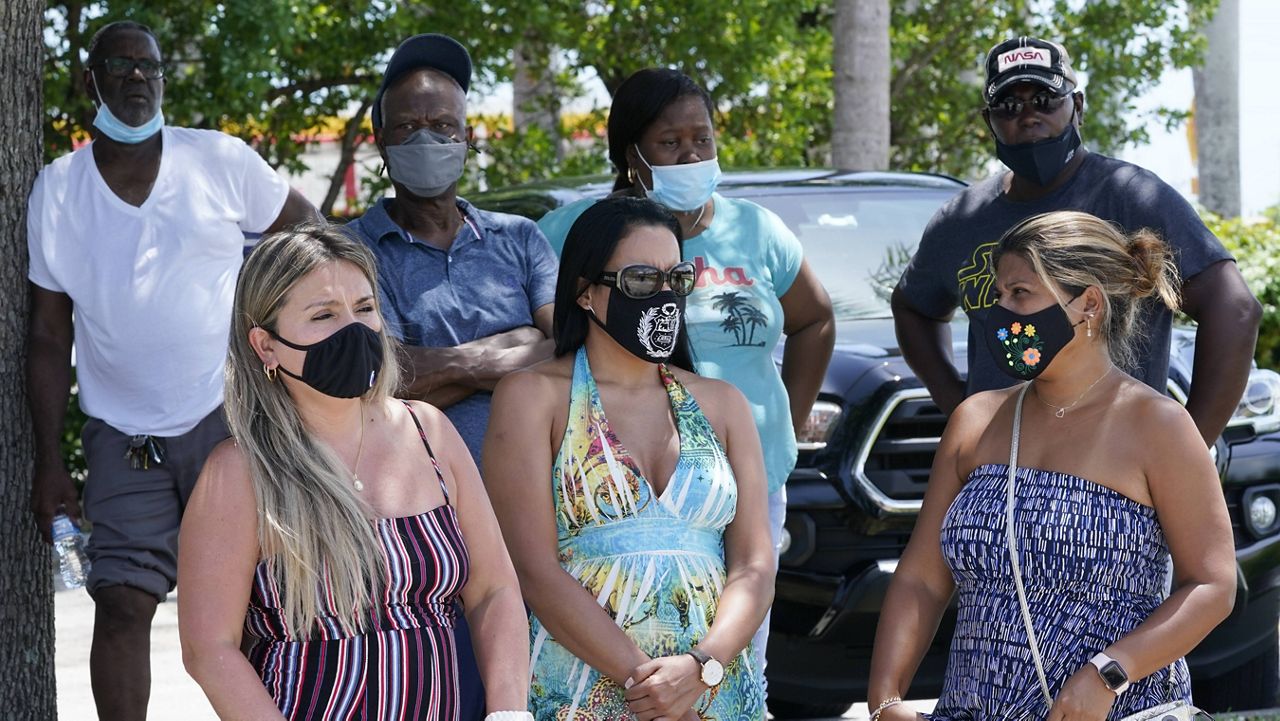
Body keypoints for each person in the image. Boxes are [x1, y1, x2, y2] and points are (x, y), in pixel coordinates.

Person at [25, 19, 317, 721]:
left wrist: (285, 349)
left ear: (163, 80)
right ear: (87, 81)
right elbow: (45, 332)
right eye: (119, 65)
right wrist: (47, 462)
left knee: (260, 603)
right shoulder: (58, 191)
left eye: (148, 67)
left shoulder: (217, 160)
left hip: (231, 421)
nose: (136, 77)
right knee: (121, 602)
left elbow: (309, 234)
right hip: (125, 436)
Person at [867, 211, 1236, 719]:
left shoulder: (1157, 426)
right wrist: (884, 698)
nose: (1002, 312)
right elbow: (922, 578)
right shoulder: (976, 420)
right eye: (999, 295)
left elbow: (1213, 585)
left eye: (1020, 293)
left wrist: (1110, 672)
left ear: (1088, 305)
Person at [535, 68, 835, 682]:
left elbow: (817, 320)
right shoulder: (573, 234)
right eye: (671, 143)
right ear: (631, 153)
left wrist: (784, 422)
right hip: (615, 484)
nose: (692, 155)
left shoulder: (755, 229)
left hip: (743, 478)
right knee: (614, 658)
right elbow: (549, 338)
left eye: (703, 139)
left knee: (739, 652)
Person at [178, 224, 533, 721]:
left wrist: (508, 712)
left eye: (365, 309)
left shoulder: (427, 431)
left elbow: (495, 589)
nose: (354, 329)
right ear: (265, 346)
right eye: (323, 315)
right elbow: (210, 649)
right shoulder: (239, 473)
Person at [484, 197, 776, 720]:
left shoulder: (723, 403)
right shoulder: (532, 398)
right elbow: (533, 570)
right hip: (582, 692)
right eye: (642, 280)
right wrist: (653, 688)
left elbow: (754, 564)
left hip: (716, 692)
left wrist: (700, 669)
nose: (664, 297)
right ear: (586, 291)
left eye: (677, 279)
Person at [892, 36, 1260, 448]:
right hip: (999, 472)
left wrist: (1185, 448)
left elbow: (1235, 310)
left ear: (1078, 107)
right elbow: (912, 307)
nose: (1029, 116)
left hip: (1115, 470)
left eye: (1046, 99)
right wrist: (958, 401)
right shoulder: (961, 220)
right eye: (1009, 106)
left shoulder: (1132, 198)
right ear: (989, 121)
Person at [344, 32, 558, 466]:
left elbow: (567, 348)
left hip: (543, 480)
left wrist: (442, 371)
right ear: (382, 140)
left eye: (442, 125)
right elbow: (380, 378)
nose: (427, 140)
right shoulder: (353, 249)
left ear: (467, 136)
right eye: (408, 127)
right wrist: (501, 354)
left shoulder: (519, 237)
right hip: (423, 488)